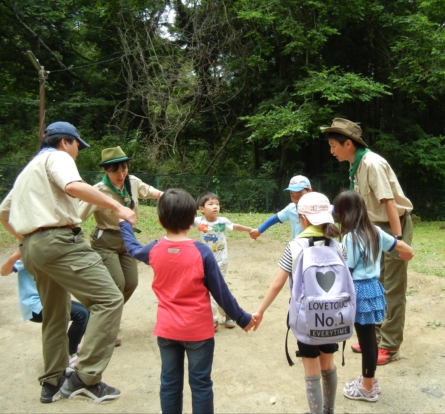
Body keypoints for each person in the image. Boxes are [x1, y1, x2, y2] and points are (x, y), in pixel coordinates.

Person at [0, 121, 136, 404]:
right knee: (109, 299)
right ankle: (85, 377)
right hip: (60, 242)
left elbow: (3, 212)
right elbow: (73, 186)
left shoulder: (28, 171)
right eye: (77, 147)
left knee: (55, 315)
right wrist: (118, 206)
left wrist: (25, 242)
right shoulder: (58, 157)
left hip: (34, 249)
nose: (77, 153)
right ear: (65, 142)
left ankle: (52, 382)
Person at [118, 188, 256, 414]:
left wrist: (124, 224)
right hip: (198, 332)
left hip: (167, 330)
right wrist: (243, 318)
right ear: (193, 220)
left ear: (160, 220)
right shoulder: (201, 252)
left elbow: (133, 249)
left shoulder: (154, 249)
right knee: (201, 385)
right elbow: (221, 292)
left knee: (170, 384)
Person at [320, 118, 414, 365]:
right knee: (374, 281)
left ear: (348, 143)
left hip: (391, 226)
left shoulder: (371, 163)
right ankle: (372, 337)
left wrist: (397, 239)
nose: (331, 152)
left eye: (333, 146)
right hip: (370, 226)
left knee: (392, 285)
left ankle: (390, 345)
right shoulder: (355, 164)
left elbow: (389, 202)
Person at [253, 192, 347, 414]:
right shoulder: (338, 246)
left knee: (310, 365)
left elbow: (277, 283)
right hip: (333, 316)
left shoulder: (294, 247)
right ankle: (329, 411)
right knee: (328, 363)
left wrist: (260, 311)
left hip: (306, 318)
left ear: (302, 219)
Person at [333, 190, 414, 402]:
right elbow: (397, 244)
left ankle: (367, 387)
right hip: (373, 287)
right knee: (369, 338)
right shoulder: (375, 231)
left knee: (367, 340)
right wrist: (410, 252)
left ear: (345, 214)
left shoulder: (351, 237)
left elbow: (348, 269)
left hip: (358, 289)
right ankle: (369, 379)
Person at [79, 146, 163, 306]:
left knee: (131, 283)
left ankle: (106, 314)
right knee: (117, 284)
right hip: (106, 241)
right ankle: (103, 316)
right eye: (115, 171)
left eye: (124, 169)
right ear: (104, 169)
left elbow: (152, 191)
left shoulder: (132, 182)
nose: (121, 174)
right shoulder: (97, 191)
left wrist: (164, 195)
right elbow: (77, 216)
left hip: (127, 239)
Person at [0, 248, 90, 368]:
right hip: (35, 306)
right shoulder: (32, 254)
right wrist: (15, 256)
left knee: (87, 311)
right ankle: (68, 352)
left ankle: (70, 346)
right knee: (81, 315)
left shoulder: (53, 252)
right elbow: (3, 272)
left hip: (52, 300)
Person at [194, 192, 258, 330]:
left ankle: (213, 320)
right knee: (214, 289)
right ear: (202, 209)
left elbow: (235, 226)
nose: (215, 206)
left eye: (217, 204)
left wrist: (248, 229)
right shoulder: (198, 222)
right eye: (210, 204)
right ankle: (228, 314)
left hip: (221, 261)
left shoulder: (222, 222)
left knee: (214, 289)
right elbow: (183, 220)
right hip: (205, 262)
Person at [250, 175, 313, 241]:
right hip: (298, 248)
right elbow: (275, 218)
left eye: (299, 195)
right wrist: (259, 230)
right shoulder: (291, 208)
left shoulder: (319, 208)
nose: (296, 199)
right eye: (292, 195)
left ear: (310, 191)